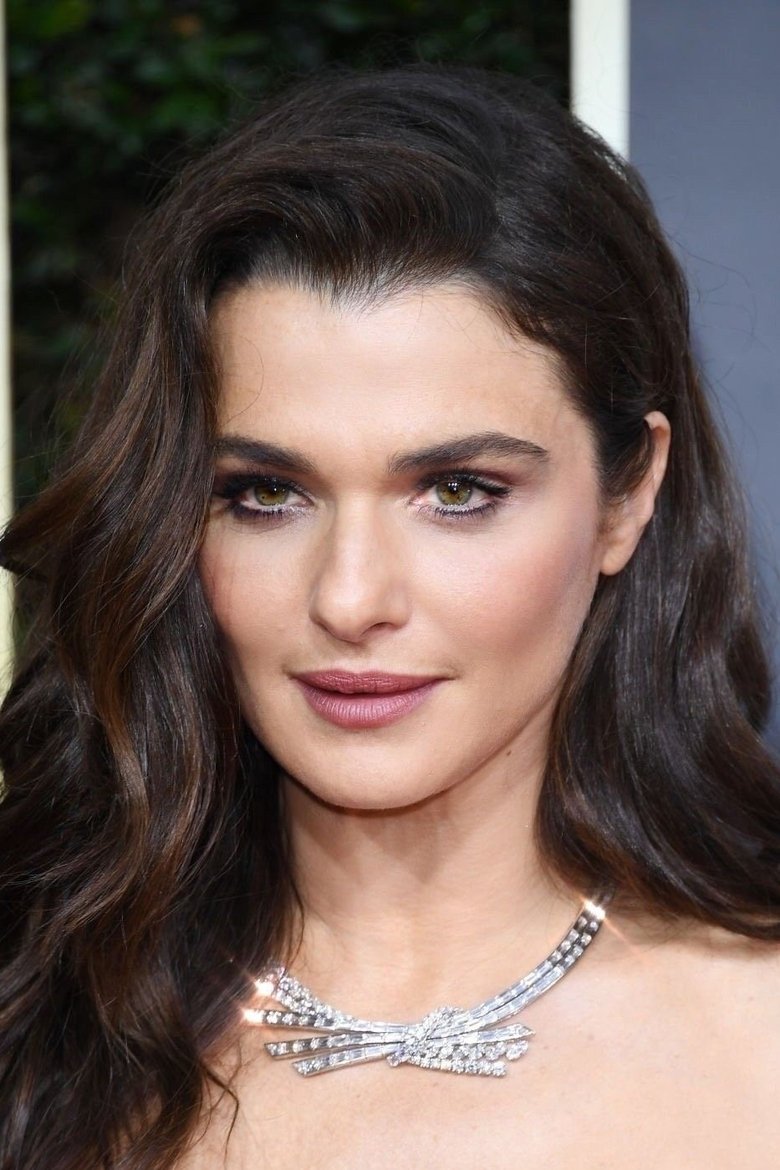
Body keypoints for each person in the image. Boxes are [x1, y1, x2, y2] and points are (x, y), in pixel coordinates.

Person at [1, 62, 779, 1170]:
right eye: (266, 494)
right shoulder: (37, 1017)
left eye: (458, 491)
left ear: (628, 496)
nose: (350, 598)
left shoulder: (756, 1041)